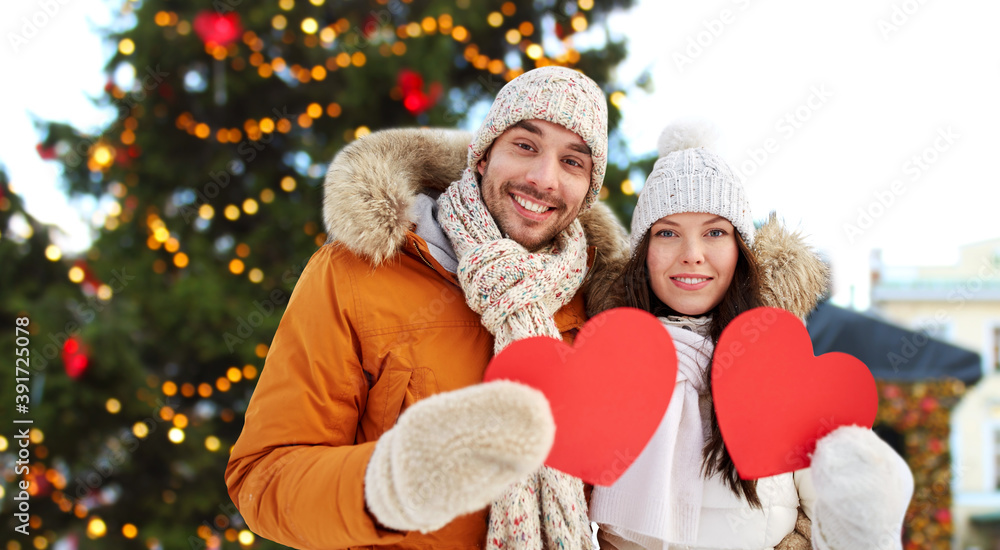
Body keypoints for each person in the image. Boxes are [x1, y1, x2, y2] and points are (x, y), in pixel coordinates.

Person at [225, 66, 629, 550]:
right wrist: (391, 483)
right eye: (525, 145)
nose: (544, 178)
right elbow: (264, 477)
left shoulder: (600, 311)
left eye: (573, 162)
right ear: (482, 157)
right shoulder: (356, 272)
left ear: (587, 191)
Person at [587, 120, 915, 550]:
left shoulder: (782, 374)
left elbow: (833, 531)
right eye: (667, 232)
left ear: (740, 251)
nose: (692, 255)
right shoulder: (605, 367)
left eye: (715, 232)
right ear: (643, 251)